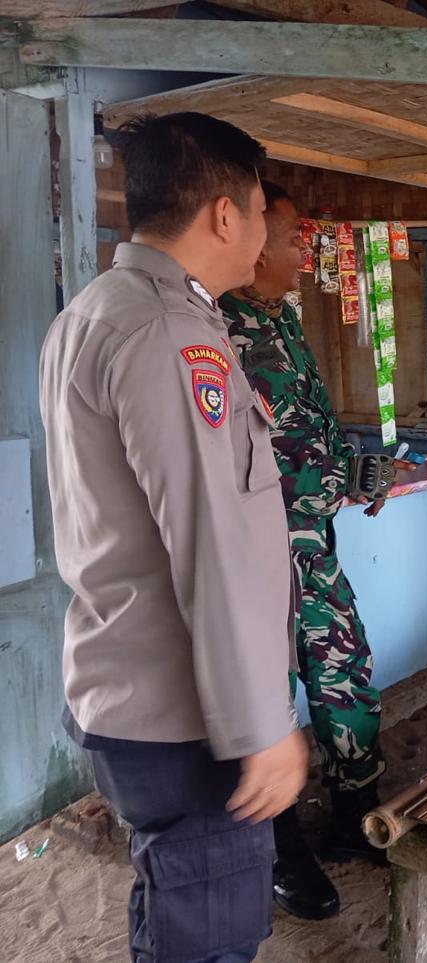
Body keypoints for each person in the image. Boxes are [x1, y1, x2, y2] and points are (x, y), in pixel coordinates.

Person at [39, 112, 307, 963]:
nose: (264, 233)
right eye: (259, 212)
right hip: (184, 718)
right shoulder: (168, 333)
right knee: (210, 938)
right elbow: (209, 539)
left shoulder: (93, 312)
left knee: (174, 911)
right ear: (224, 215)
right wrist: (262, 722)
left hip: (129, 695)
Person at [219, 183, 386, 920]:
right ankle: (277, 847)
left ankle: (354, 817)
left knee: (346, 671)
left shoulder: (283, 318)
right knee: (268, 697)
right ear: (256, 245)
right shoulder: (216, 330)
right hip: (258, 559)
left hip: (313, 549)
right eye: (295, 239)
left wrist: (358, 470)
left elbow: (308, 428)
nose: (305, 252)